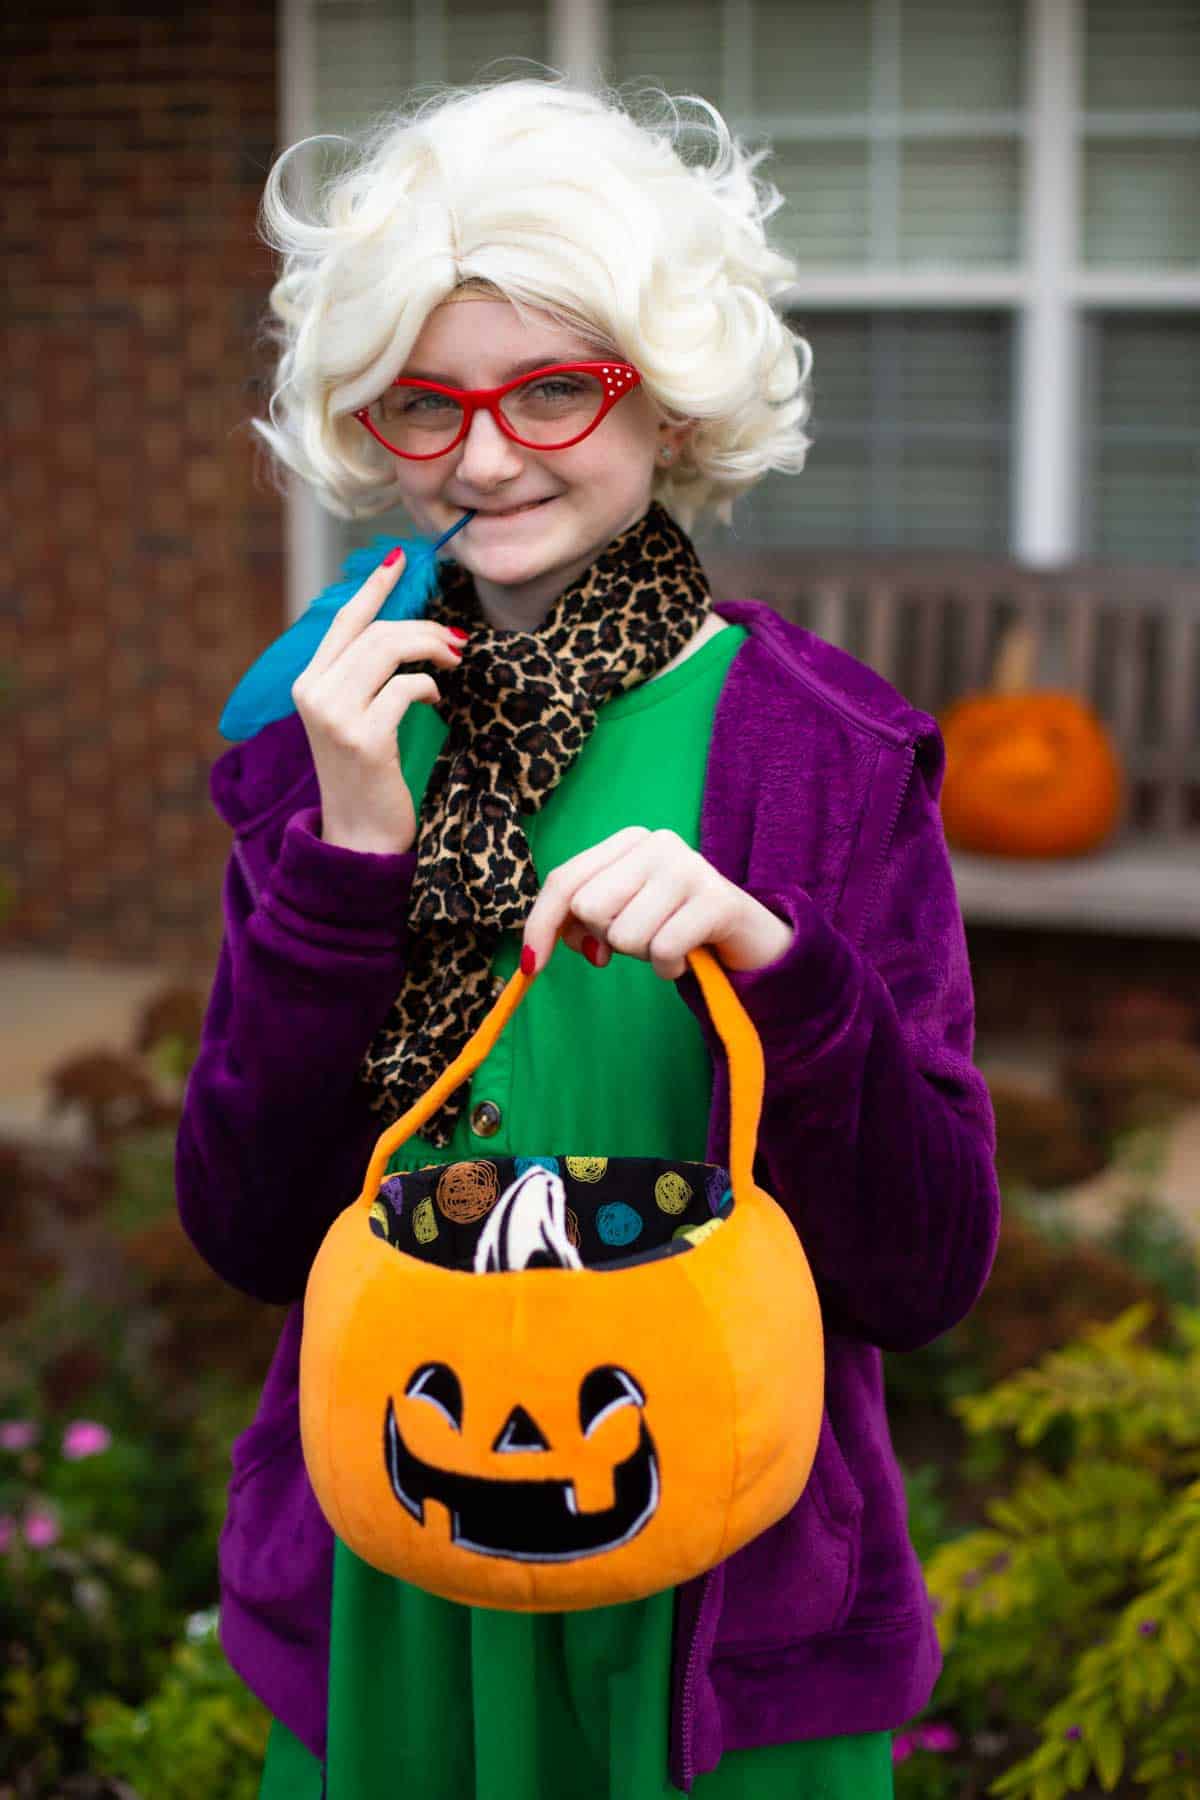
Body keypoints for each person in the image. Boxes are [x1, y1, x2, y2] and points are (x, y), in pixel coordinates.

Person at [176, 76, 1000, 1800]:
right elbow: (255, 1229)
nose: (485, 455)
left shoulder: (824, 756)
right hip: (395, 1566)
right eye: (426, 402)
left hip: (720, 1597)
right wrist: (347, 858)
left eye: (555, 387)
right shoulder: (332, 735)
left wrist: (784, 970)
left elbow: (927, 1267)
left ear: (669, 397)